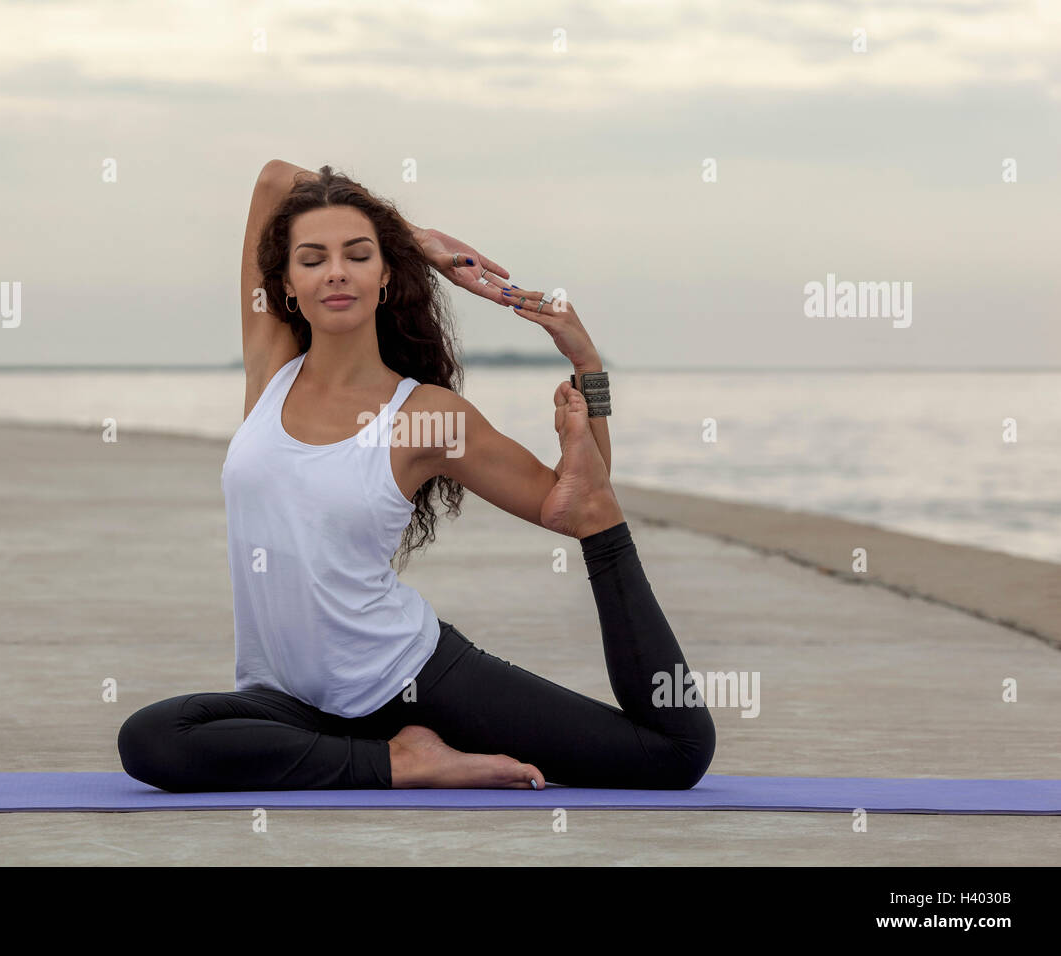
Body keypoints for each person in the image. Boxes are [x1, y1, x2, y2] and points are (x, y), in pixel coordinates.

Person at [116, 161, 715, 791]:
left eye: (359, 254)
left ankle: (397, 753)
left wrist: (588, 369)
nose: (336, 271)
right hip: (291, 703)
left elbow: (577, 503)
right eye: (313, 258)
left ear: (385, 277)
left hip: (410, 680)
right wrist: (416, 236)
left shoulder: (423, 416)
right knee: (151, 740)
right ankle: (403, 763)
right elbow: (273, 180)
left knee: (673, 754)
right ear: (287, 286)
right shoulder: (271, 373)